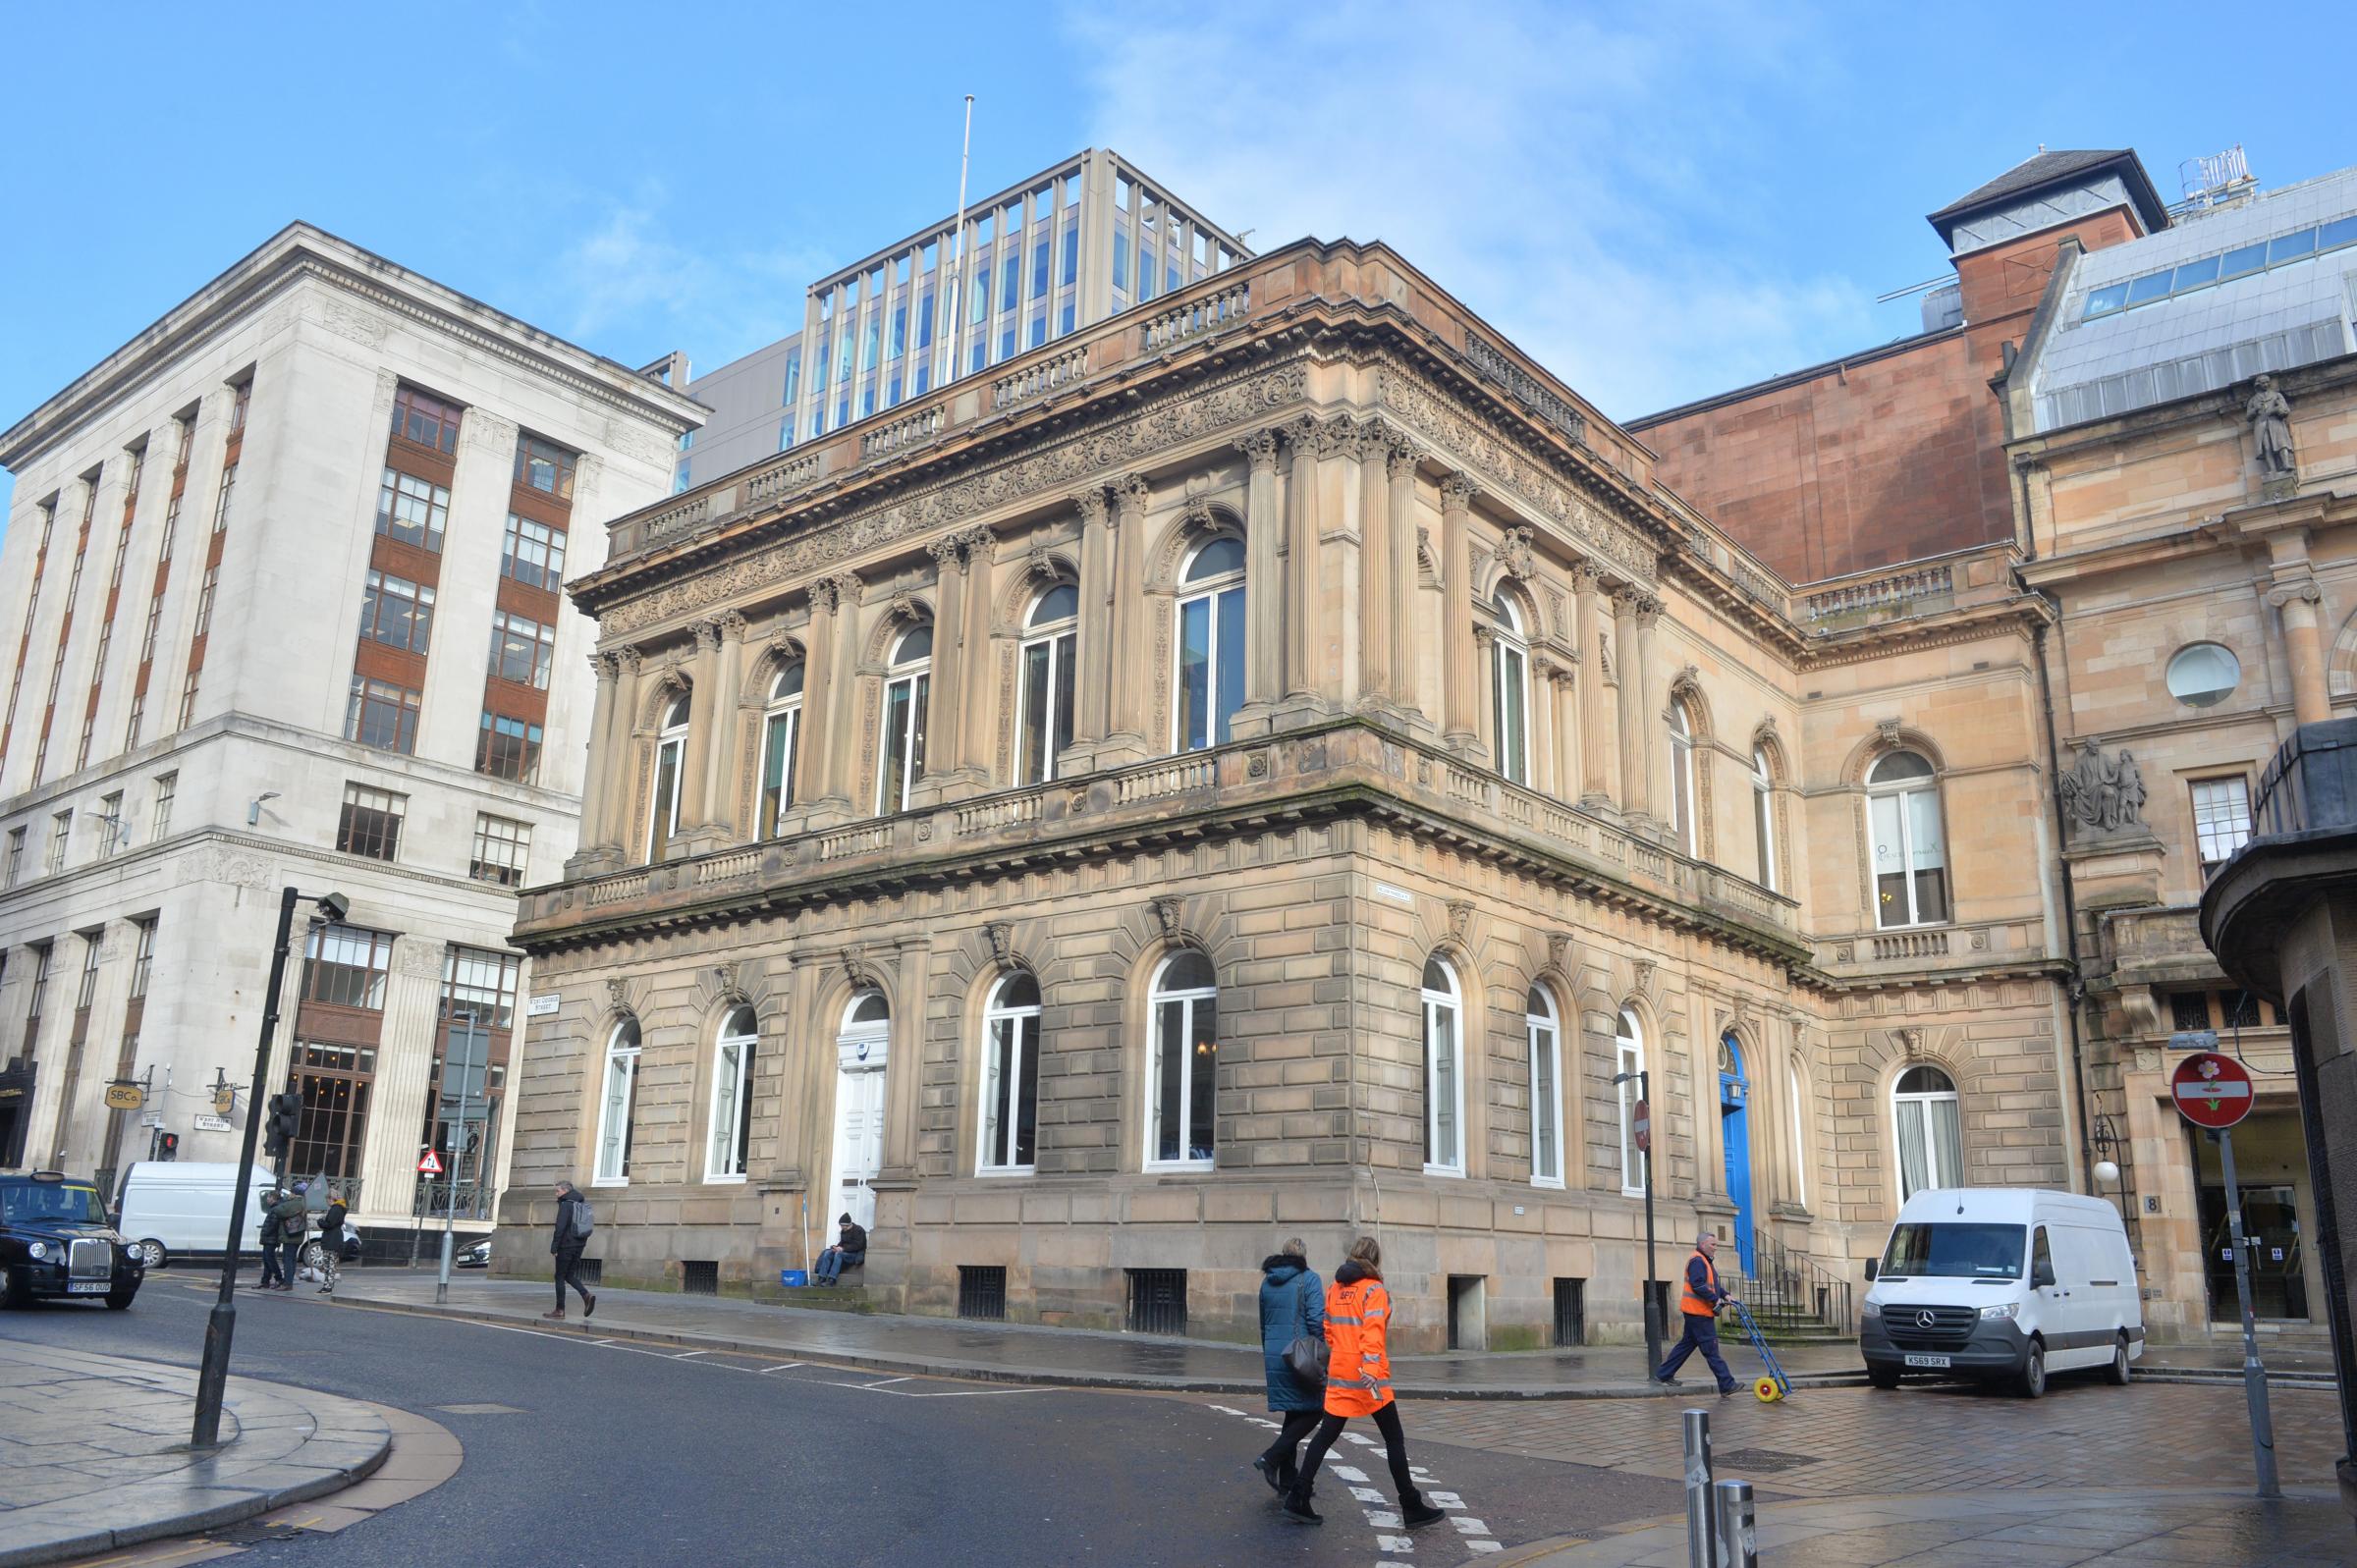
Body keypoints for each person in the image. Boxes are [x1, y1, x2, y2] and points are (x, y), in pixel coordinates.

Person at [1282, 1236, 1444, 1532]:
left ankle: (1298, 1496)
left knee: (1324, 1437)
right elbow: (1372, 1331)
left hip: (1341, 1373)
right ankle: (1410, 1505)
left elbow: (1328, 1329)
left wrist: (1341, 1355)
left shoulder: (1335, 1288)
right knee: (1394, 1439)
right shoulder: (1374, 1290)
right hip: (1370, 1379)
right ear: (1375, 1260)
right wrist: (1369, 1365)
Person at [1252, 1238, 1326, 1498]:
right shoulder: (1310, 1279)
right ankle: (1271, 1458)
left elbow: (1264, 1324)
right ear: (1303, 1257)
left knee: (1294, 1413)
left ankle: (1287, 1480)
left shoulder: (1267, 1282)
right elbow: (1316, 1321)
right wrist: (1324, 1352)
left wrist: (1268, 1352)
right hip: (1300, 1355)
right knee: (1316, 1409)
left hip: (1275, 1353)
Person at [1655, 1231, 1739, 1395]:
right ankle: (1727, 1384)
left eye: (1716, 1244)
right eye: (1712, 1244)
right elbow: (1698, 1285)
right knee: (1711, 1350)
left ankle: (1663, 1374)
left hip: (1696, 1312)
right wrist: (1715, 1299)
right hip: (1699, 1313)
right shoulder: (1698, 1261)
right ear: (1702, 1245)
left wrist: (1725, 1294)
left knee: (1686, 1345)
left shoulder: (1705, 1261)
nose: (1716, 1248)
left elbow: (1712, 1284)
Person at [544, 1179, 596, 1321]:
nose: (556, 1194)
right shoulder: (581, 1203)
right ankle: (586, 1295)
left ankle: (560, 1310)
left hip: (566, 1245)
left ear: (566, 1191)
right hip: (579, 1245)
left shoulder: (566, 1204)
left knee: (559, 1277)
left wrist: (554, 1246)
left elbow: (560, 1227)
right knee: (569, 1275)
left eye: (558, 1191)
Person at [274, 1184, 310, 1292]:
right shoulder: (305, 1203)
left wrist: (284, 1200)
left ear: (294, 1194)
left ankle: (287, 1283)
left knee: (288, 1260)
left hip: (290, 1235)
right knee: (292, 1259)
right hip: (298, 1235)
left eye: (291, 1192)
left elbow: (278, 1210)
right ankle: (288, 1281)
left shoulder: (294, 1203)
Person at [813, 1213, 866, 1285]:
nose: (841, 1227)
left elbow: (858, 1245)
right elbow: (842, 1243)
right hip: (845, 1252)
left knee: (839, 1254)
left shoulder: (859, 1230)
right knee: (828, 1253)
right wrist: (836, 1247)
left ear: (847, 1225)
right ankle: (821, 1277)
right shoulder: (843, 1231)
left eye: (842, 1226)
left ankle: (832, 1279)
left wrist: (843, 1249)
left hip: (854, 1254)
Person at [315, 1193, 349, 1295]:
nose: (327, 1202)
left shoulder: (335, 1209)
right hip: (334, 1238)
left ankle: (327, 1287)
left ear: (331, 1199)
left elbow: (329, 1224)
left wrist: (320, 1221)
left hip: (331, 1239)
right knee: (330, 1264)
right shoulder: (340, 1208)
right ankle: (328, 1285)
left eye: (327, 1200)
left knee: (329, 1264)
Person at [256, 1186, 289, 1290]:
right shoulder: (276, 1208)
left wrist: (265, 1233)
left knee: (270, 1259)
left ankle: (279, 1278)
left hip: (271, 1238)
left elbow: (273, 1225)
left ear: (272, 1198)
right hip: (271, 1238)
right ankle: (265, 1281)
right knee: (267, 1259)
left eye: (268, 1197)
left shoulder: (275, 1209)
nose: (267, 1199)